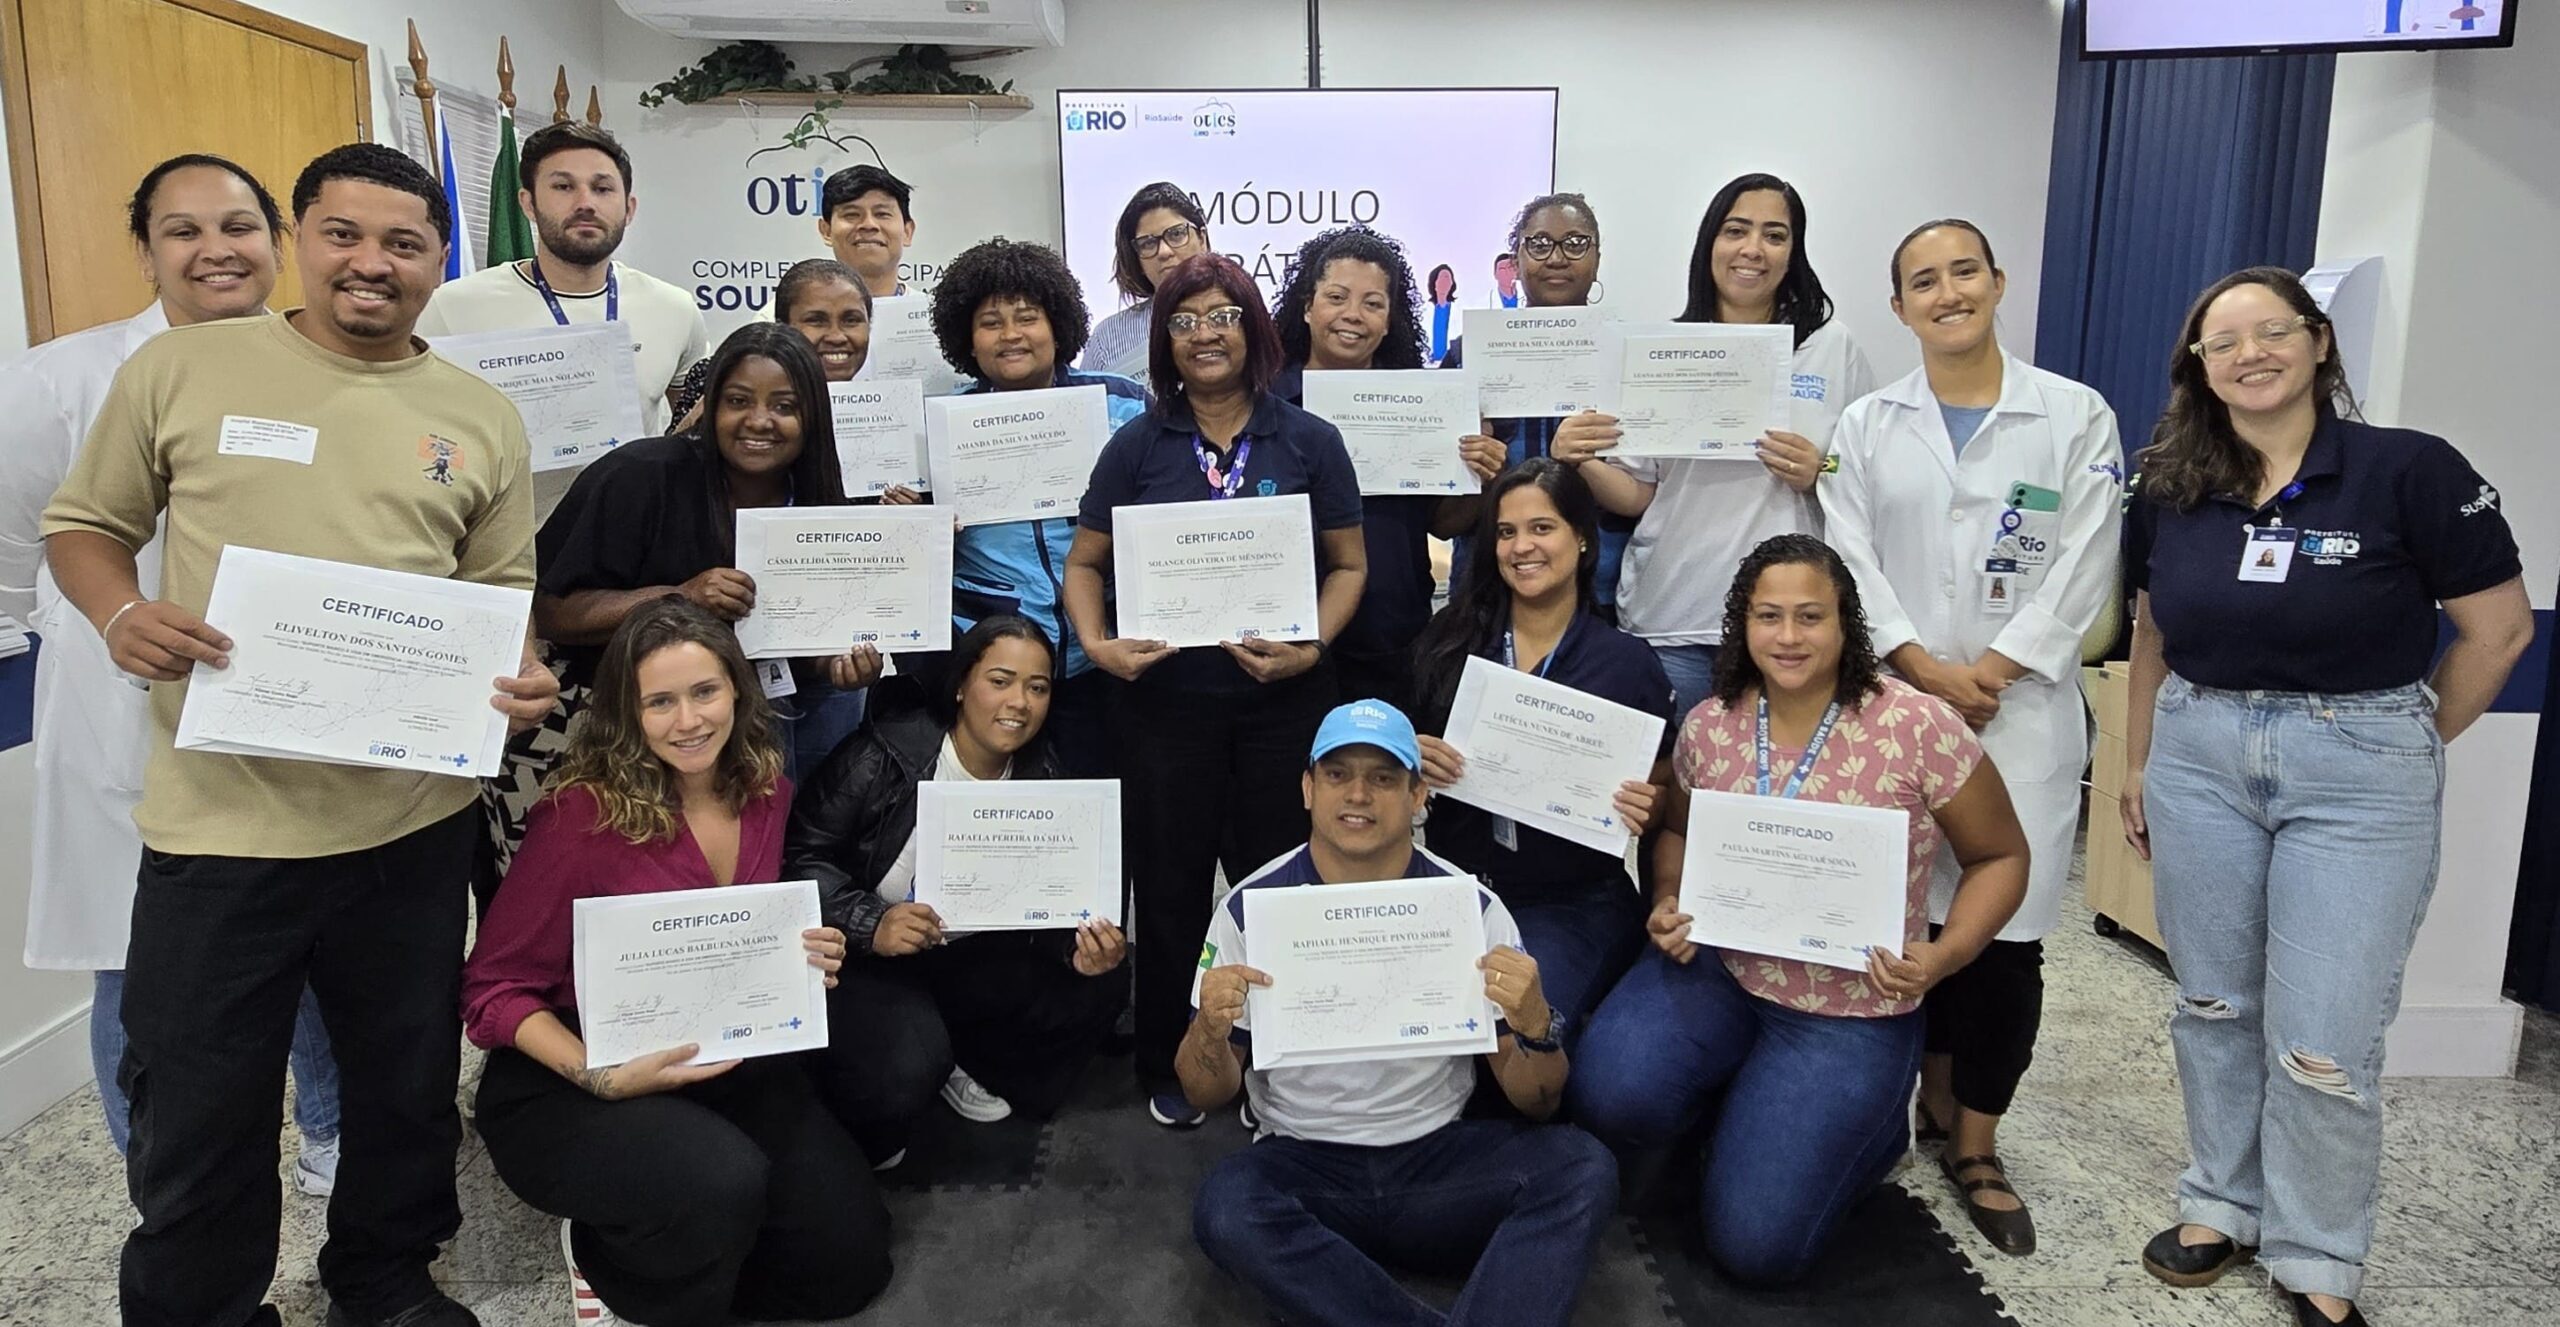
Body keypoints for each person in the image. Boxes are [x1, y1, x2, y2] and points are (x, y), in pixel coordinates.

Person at [41, 141, 559, 1327]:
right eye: (343, 234)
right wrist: (120, 612)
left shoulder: (478, 416)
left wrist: (518, 676)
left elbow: (499, 600)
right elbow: (83, 527)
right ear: (301, 239)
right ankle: (205, 1309)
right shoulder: (187, 368)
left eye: (404, 244)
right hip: (224, 828)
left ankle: (381, 1278)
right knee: (202, 1102)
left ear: (441, 261)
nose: (371, 263)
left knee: (404, 1088)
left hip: (409, 827)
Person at [2121, 268, 2531, 1327]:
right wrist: (2135, 762)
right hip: (2198, 753)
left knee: (2324, 1036)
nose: (2249, 354)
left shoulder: (2408, 470)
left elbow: (2499, 632)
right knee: (2210, 1002)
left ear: (2317, 342)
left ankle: (2317, 1253)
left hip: (2359, 770)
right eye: (2223, 342)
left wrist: (2396, 742)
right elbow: (2151, 632)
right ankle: (2221, 1199)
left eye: (2272, 332)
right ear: (2197, 368)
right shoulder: (2169, 482)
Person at [0, 154, 344, 1191]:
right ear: (145, 248)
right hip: (124, 714)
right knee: (134, 953)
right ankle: (158, 1162)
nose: (215, 249)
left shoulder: (321, 366)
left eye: (238, 225)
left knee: (314, 940)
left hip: (294, 704)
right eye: (182, 229)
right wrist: (109, 617)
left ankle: (332, 1132)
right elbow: (22, 550)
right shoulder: (60, 377)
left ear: (275, 240)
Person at [1571, 534, 2031, 1285]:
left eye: (1810, 616)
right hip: (1720, 970)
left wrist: (1942, 960)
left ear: (1847, 622)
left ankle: (1875, 1124)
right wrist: (1665, 899)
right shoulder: (1713, 723)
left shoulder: (1915, 725)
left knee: (1759, 1248)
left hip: (1849, 1007)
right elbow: (1679, 831)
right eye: (1768, 616)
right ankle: (1752, 1105)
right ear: (1741, 625)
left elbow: (2002, 857)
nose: (1788, 637)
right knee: (1609, 1091)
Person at [1817, 217, 2122, 1256]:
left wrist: (1994, 667)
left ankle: (1977, 1142)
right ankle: (1916, 1109)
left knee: (2006, 932)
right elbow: (1845, 551)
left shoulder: (2072, 415)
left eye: (1962, 272)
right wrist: (1918, 665)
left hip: (2020, 711)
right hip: (1898, 705)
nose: (1945, 292)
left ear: (1996, 282)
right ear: (1897, 307)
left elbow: (2088, 551)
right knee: (1906, 920)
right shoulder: (1864, 423)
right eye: (1920, 281)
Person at [463, 596, 890, 1327]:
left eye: (704, 692)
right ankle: (607, 1256)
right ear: (628, 712)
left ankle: (697, 1243)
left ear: (737, 691)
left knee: (849, 1266)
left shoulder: (764, 791)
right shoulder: (580, 816)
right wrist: (601, 1074)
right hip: (573, 1063)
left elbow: (744, 931)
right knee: (719, 1184)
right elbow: (490, 991)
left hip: (716, 1050)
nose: (688, 720)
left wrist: (802, 950)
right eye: (659, 701)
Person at [1186, 699, 1620, 1327]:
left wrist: (1536, 1026)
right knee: (1227, 1207)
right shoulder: (1250, 907)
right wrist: (1209, 1028)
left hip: (1438, 1162)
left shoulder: (1471, 907)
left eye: (1384, 778)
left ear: (1419, 796)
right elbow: (1205, 1089)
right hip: (1306, 1164)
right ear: (1308, 788)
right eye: (1337, 774)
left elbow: (1537, 1101)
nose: (1358, 794)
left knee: (1583, 1169)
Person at [1061, 253, 1367, 1127]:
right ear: (1164, 340)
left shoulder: (1309, 440)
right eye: (1185, 319)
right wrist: (1096, 643)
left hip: (1283, 705)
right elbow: (1086, 564)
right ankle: (1173, 1057)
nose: (1204, 333)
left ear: (1253, 329)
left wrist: (1311, 644)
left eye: (1221, 315)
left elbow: (1349, 564)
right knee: (1169, 886)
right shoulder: (1136, 445)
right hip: (1164, 710)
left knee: (1276, 882)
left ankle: (1275, 1054)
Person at [785, 614, 1128, 1146]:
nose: (1020, 702)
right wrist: (873, 923)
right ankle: (910, 1077)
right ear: (963, 685)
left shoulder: (1045, 773)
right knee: (901, 1068)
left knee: (1100, 979)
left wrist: (1075, 949)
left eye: (1037, 687)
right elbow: (800, 857)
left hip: (968, 952)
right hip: (870, 959)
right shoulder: (884, 754)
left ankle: (966, 1063)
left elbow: (1053, 900)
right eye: (1000, 681)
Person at [1574, 173, 1879, 721]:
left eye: (1775, 235)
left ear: (1794, 252)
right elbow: (1638, 494)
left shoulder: (1831, 348)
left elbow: (1868, 472)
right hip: (1673, 616)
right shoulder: (1660, 349)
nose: (1753, 250)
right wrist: (1582, 461)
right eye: (1736, 230)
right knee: (1674, 792)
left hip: (1790, 627)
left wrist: (1822, 469)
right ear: (1710, 243)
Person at [536, 323, 883, 789]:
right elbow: (552, 611)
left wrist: (835, 665)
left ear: (813, 416)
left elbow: (795, 640)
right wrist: (679, 598)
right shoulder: (640, 476)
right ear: (711, 404)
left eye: (785, 406)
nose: (759, 420)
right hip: (605, 733)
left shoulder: (818, 501)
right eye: (738, 401)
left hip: (737, 742)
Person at [1409, 459, 1672, 1044]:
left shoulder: (1626, 665)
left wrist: (1643, 808)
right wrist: (1413, 762)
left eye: (1542, 528)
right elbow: (1400, 779)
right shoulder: (1450, 642)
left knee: (1509, 1030)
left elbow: (1663, 806)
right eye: (1506, 532)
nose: (1522, 546)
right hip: (1457, 890)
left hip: (1571, 901)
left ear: (1582, 538)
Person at [904, 238, 1149, 773]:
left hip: (1104, 657)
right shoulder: (937, 424)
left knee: (1110, 815)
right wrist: (916, 523)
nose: (1011, 335)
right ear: (967, 338)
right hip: (992, 661)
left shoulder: (1123, 402)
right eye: (991, 323)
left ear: (1057, 326)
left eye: (1027, 318)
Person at [1271, 225, 1505, 709]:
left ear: (1389, 319)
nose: (1352, 315)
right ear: (1308, 307)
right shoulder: (1265, 404)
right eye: (1336, 297)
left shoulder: (1421, 403)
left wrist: (1479, 478)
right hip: (1289, 639)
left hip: (1392, 636)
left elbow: (1441, 524)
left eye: (1373, 303)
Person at [417, 122, 708, 466]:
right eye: (563, 186)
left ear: (629, 209)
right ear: (528, 203)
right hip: (512, 518)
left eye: (602, 188)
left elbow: (687, 433)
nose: (585, 203)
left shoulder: (674, 308)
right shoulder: (452, 307)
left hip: (634, 518)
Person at [1440, 194, 1635, 623]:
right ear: (1517, 258)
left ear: (1598, 258)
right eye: (1540, 244)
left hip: (1601, 593)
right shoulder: (1468, 358)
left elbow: (1649, 497)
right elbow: (1443, 520)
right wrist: (1482, 472)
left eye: (1576, 243)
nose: (1558, 258)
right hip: (1488, 592)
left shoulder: (1630, 358)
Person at [668, 256, 873, 428]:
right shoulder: (724, 380)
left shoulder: (896, 393)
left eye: (851, 320)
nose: (836, 336)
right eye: (816, 321)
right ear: (782, 326)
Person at [1081, 180, 1210, 380]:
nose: (1164, 252)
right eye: (1148, 243)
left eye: (1176, 234)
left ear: (1201, 239)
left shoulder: (1240, 314)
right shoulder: (1108, 338)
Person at [815, 163, 915, 300]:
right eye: (852, 215)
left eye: (882, 214)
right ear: (826, 231)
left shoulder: (935, 316)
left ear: (907, 232)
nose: (869, 225)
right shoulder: (786, 315)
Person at [1426, 263, 1458, 365]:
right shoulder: (1425, 311)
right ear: (1434, 282)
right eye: (1442, 277)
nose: (1445, 281)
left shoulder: (1458, 310)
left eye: (1448, 278)